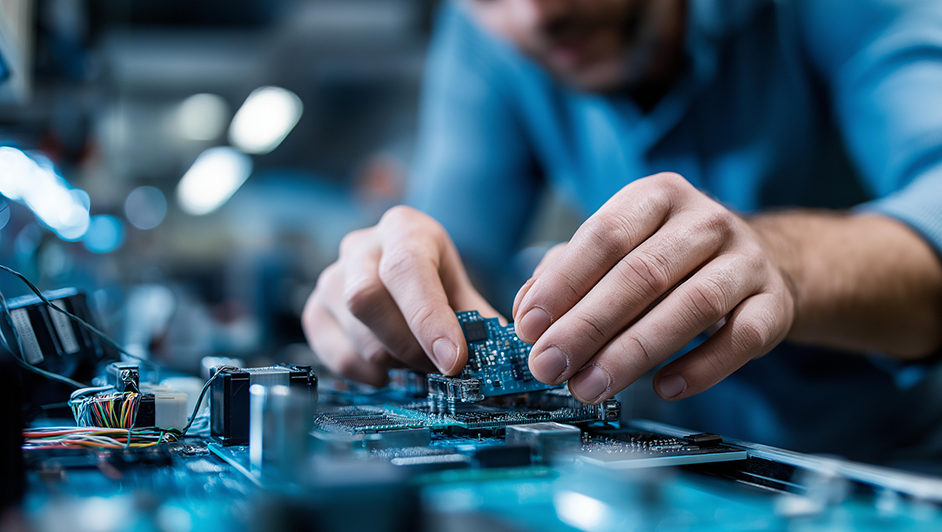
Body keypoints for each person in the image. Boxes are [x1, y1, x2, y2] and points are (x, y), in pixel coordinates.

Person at [302, 0, 942, 464]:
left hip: (895, 457)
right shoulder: (483, 36)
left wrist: (782, 261)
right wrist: (395, 280)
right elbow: (453, 254)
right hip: (682, 462)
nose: (534, 17)